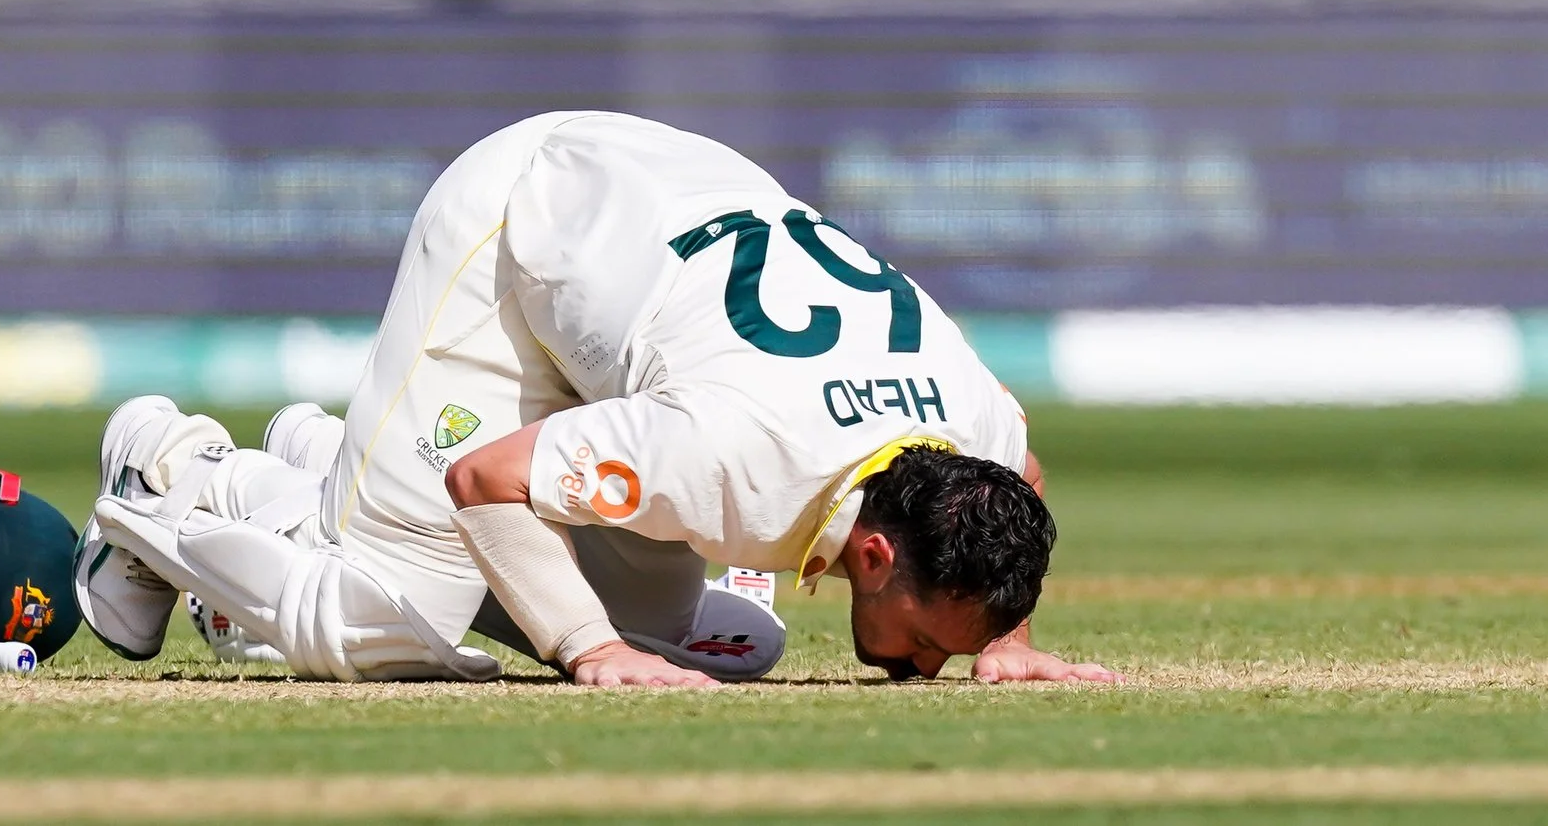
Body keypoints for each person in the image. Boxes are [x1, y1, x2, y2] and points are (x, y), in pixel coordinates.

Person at [72, 111, 1118, 686]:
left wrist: (1009, 637)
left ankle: (333, 470)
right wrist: (591, 652)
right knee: (381, 628)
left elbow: (1016, 475)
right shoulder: (735, 451)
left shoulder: (970, 434)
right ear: (878, 554)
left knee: (719, 645)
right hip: (527, 221)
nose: (939, 662)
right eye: (940, 637)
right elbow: (488, 479)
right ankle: (172, 468)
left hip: (666, 214)